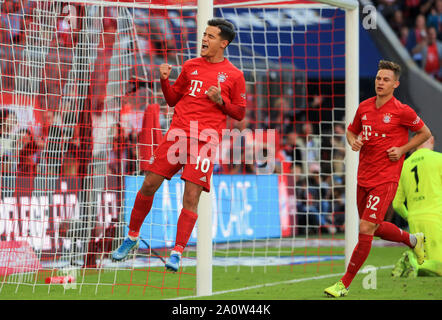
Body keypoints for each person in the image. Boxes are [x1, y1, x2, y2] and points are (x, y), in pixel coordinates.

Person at [112, 18, 246, 272]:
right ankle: (131, 237)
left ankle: (177, 251)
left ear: (223, 43)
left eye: (211, 36)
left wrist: (221, 101)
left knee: (191, 196)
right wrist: (164, 80)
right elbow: (173, 99)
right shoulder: (190, 66)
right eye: (204, 34)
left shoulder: (234, 76)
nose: (204, 39)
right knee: (149, 183)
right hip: (177, 135)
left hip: (205, 140)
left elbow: (239, 113)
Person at [324, 60, 432, 297]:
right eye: (378, 78)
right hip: (364, 176)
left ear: (395, 84)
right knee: (374, 228)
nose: (380, 83)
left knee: (365, 226)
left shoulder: (402, 110)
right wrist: (353, 141)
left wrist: (403, 149)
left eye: (385, 79)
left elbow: (425, 133)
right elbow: (352, 131)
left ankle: (343, 284)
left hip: (386, 178)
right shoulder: (364, 107)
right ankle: (414, 241)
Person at [391, 135, 442, 277]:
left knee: (427, 269)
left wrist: (409, 216)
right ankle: (411, 260)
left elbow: (397, 204)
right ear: (431, 140)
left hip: (414, 221)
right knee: (438, 266)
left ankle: (412, 263)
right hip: (435, 218)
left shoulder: (404, 165)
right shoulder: (439, 159)